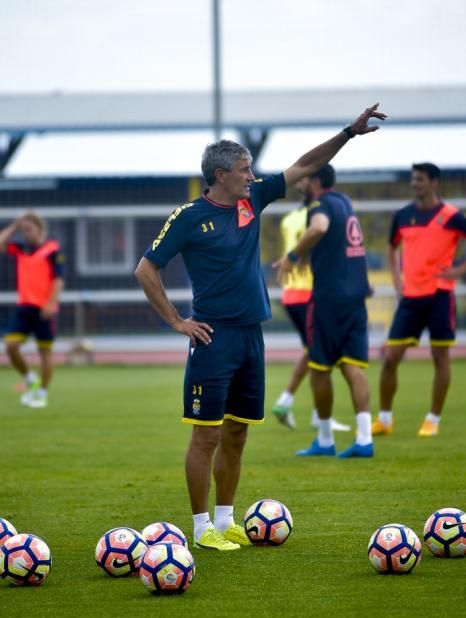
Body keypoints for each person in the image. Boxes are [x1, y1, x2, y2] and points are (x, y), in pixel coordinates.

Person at [135, 103, 386, 551]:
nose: (252, 175)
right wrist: (177, 321)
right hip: (212, 338)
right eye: (244, 169)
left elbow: (307, 164)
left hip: (253, 335)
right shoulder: (189, 216)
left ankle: (227, 520)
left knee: (238, 431)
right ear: (220, 175)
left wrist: (349, 132)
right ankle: (200, 529)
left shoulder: (253, 200)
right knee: (206, 434)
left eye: (252, 168)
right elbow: (145, 269)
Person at [274, 164, 374, 458]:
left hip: (328, 298)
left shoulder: (320, 204)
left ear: (315, 180)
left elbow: (319, 227)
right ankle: (365, 439)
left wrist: (293, 256)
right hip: (356, 295)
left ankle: (326, 439)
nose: (299, 181)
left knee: (319, 369)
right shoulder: (343, 202)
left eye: (304, 177)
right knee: (352, 366)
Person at [371, 162, 466, 437]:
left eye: (420, 179)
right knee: (390, 358)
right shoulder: (402, 215)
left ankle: (432, 420)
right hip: (410, 297)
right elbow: (392, 249)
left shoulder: (451, 215)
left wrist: (458, 270)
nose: (415, 184)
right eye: (413, 179)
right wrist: (397, 281)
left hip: (439, 295)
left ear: (434, 182)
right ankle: (385, 420)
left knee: (440, 357)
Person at [272, 176, 350, 433]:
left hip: (290, 292)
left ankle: (304, 408)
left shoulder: (288, 219)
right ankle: (292, 403)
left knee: (315, 351)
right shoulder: (321, 214)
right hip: (310, 291)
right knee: (322, 353)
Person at [0, 213, 65, 408]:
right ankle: (30, 379)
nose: (25, 234)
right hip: (24, 308)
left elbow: (58, 280)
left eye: (29, 229)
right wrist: (14, 226)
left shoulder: (53, 250)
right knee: (11, 346)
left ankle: (42, 394)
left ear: (40, 229)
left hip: (44, 309)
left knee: (44, 352)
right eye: (23, 230)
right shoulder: (21, 249)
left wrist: (50, 304)